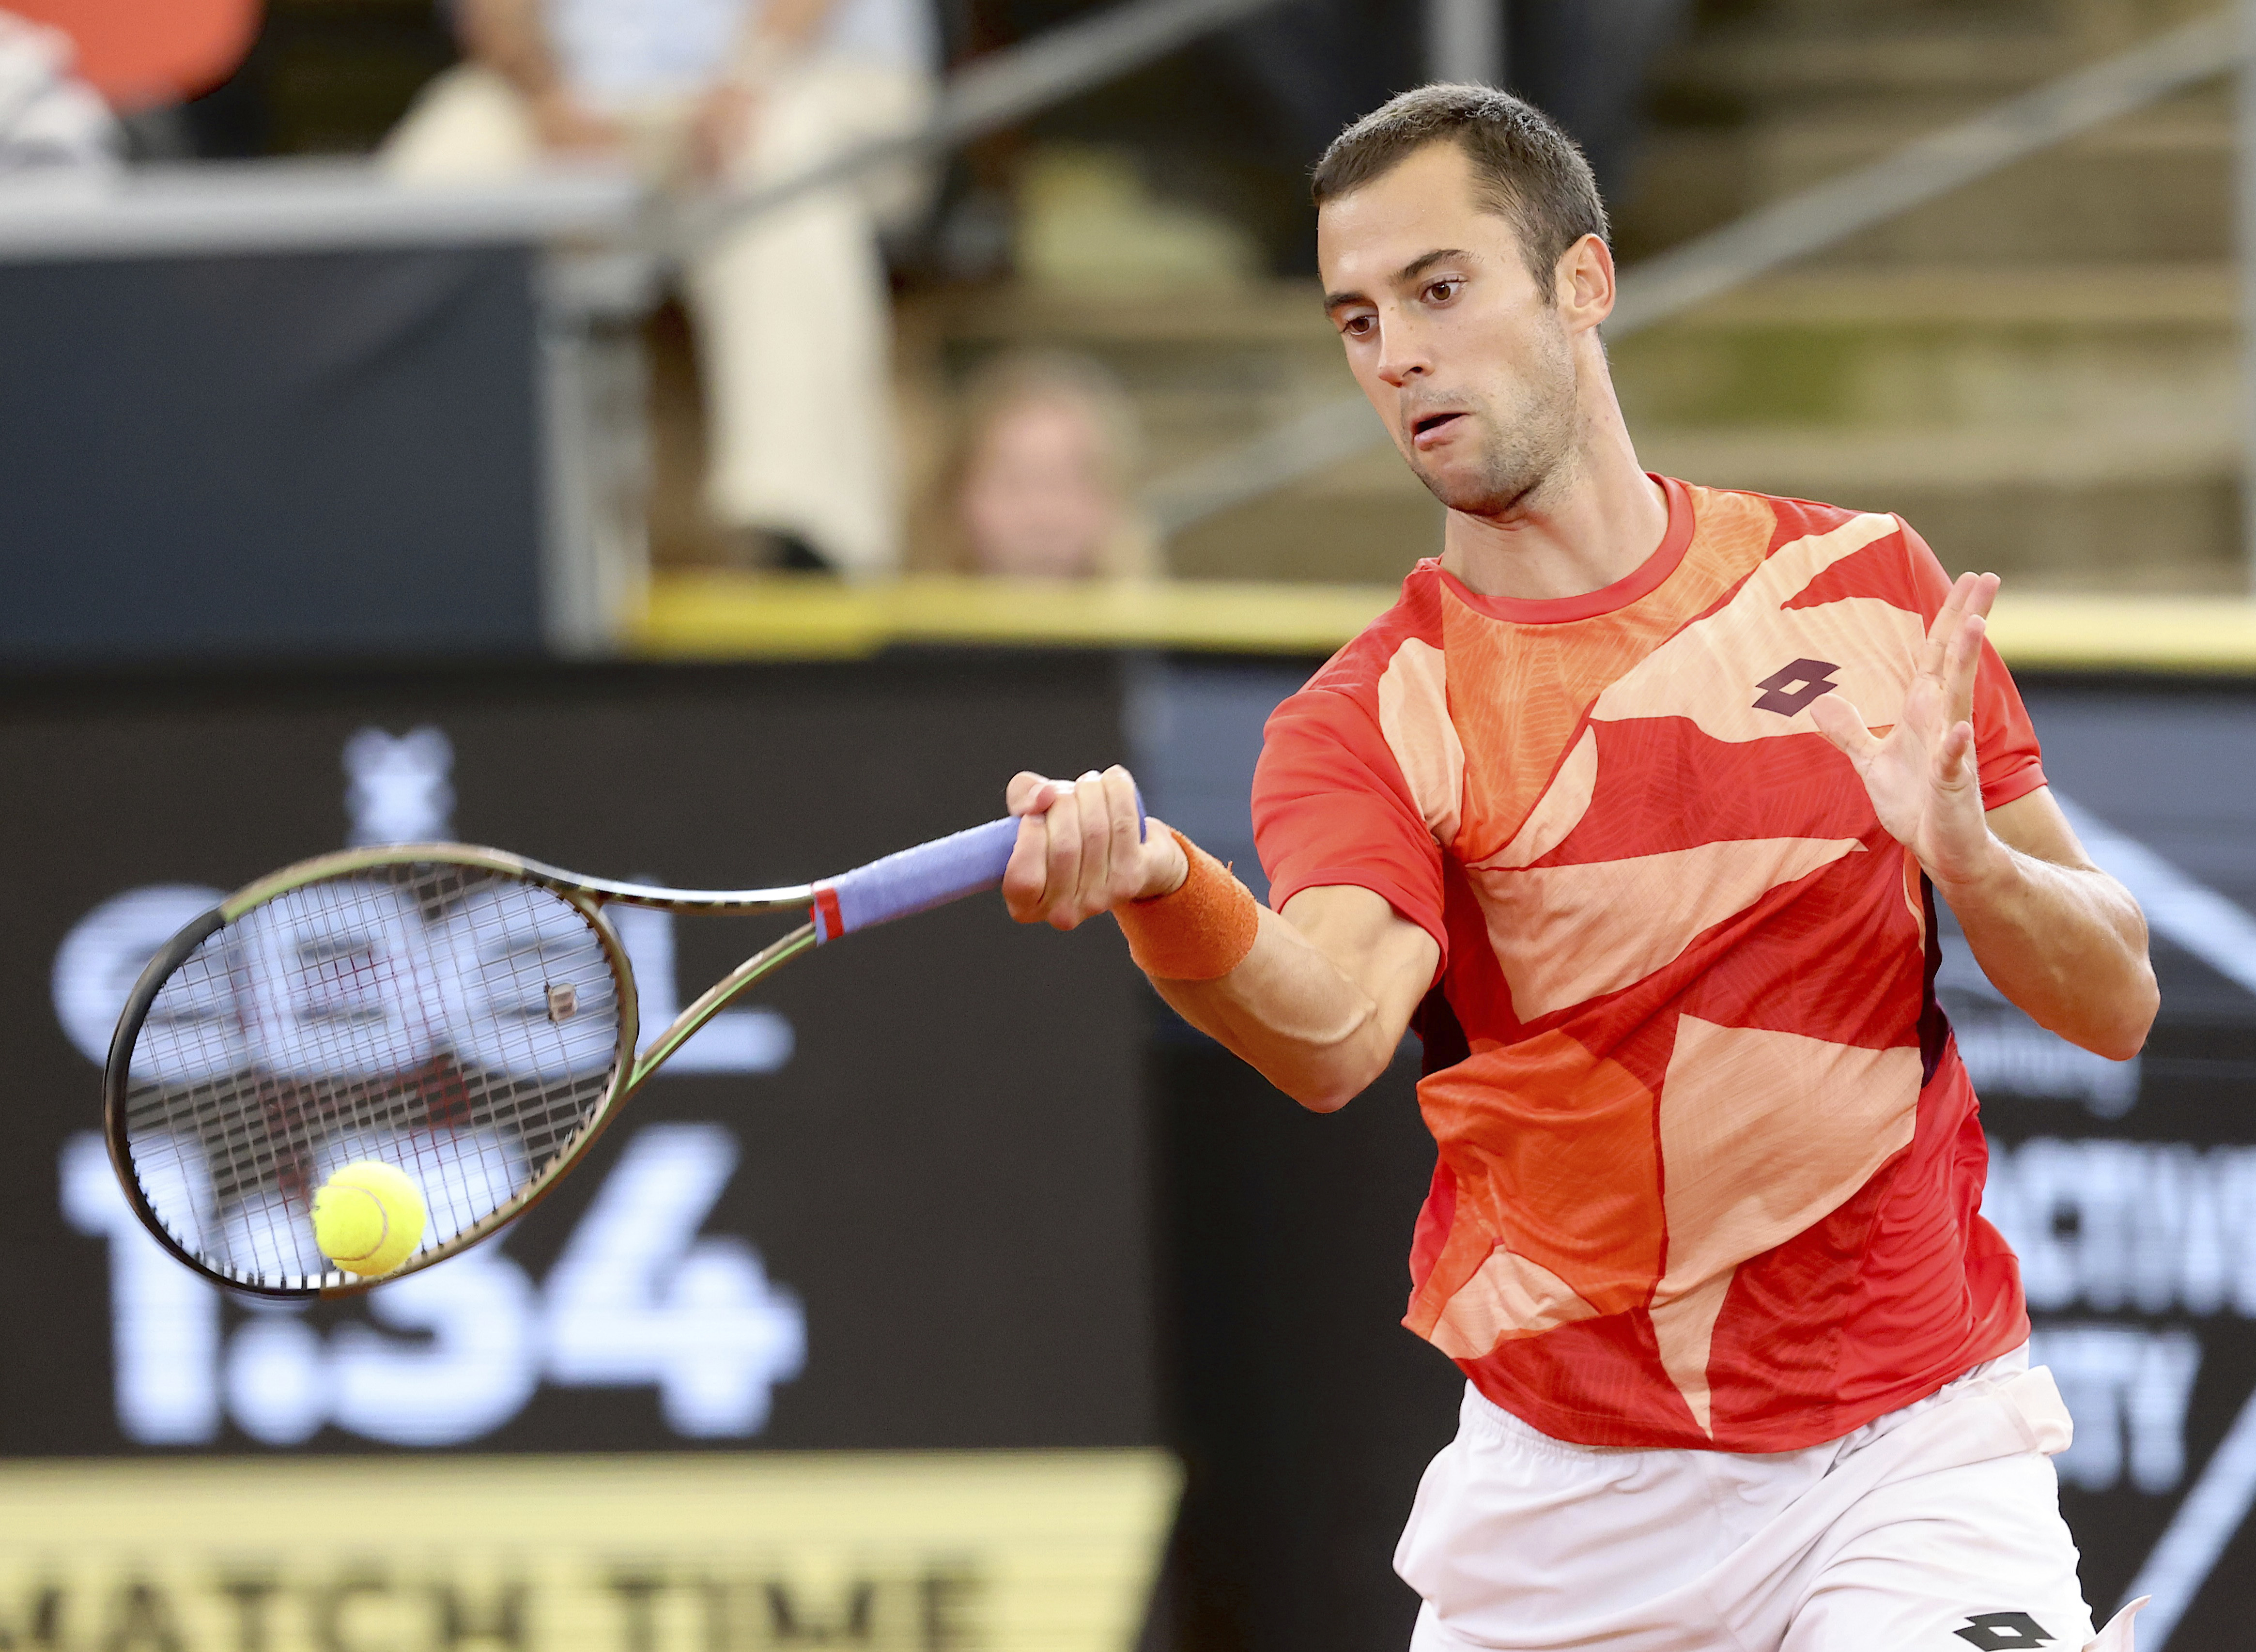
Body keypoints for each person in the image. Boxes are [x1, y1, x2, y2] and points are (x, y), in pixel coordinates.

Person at [995, 86, 2156, 1652]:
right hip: (1571, 1509)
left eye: (1437, 289)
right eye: (1354, 318)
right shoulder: (1366, 718)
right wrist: (1159, 882)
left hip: (1906, 1450)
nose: (1393, 354)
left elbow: (2112, 997)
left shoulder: (1863, 585)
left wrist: (1968, 860)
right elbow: (1332, 1030)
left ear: (1583, 284)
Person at [381, 0, 938, 578]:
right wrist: (544, 93)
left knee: (775, 159)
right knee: (441, 162)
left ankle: (803, 538)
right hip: (571, 97)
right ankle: (401, 513)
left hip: (804, 72)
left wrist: (748, 76)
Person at [914, 350, 1160, 579]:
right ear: (953, 495)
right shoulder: (897, 618)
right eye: (1013, 484)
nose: (1044, 519)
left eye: (1069, 484)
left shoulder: (1158, 621)